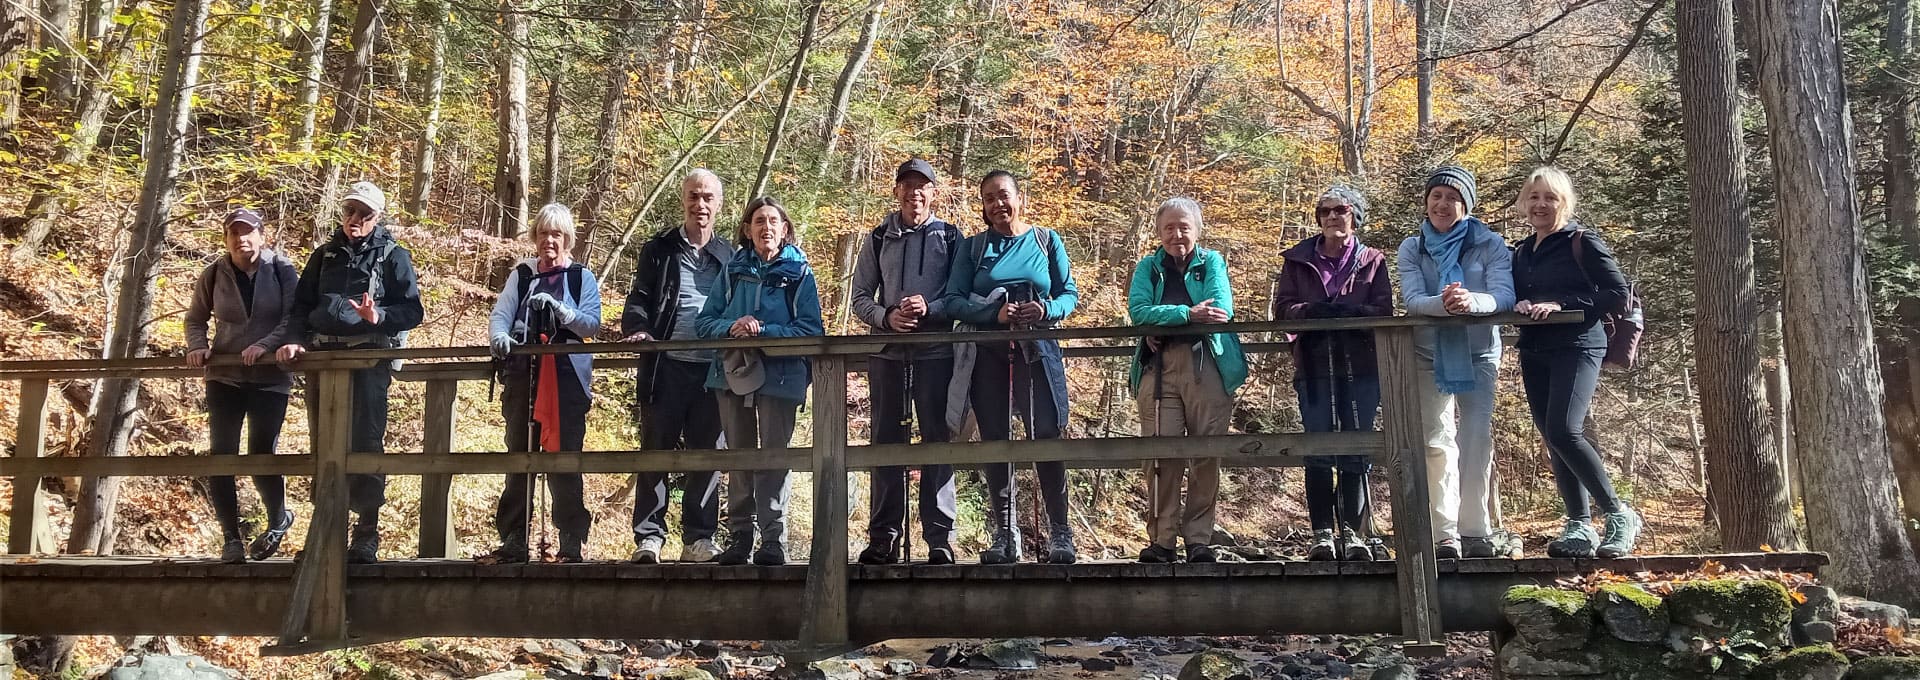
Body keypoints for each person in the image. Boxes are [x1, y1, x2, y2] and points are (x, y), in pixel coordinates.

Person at [277, 181, 424, 564]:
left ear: (378, 217)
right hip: (322, 361)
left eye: (364, 213)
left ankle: (366, 533)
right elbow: (300, 306)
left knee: (366, 444)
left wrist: (381, 317)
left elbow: (412, 310)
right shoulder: (324, 256)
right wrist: (294, 339)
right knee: (323, 444)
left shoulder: (393, 256)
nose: (355, 219)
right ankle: (325, 530)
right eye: (350, 211)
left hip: (368, 362)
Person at [941, 170, 1081, 565]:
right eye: (989, 199)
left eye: (1004, 195)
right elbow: (952, 301)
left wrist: (1046, 309)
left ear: (1020, 198)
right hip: (988, 354)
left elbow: (1069, 294)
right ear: (983, 208)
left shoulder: (1046, 240)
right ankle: (1005, 534)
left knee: (1047, 436)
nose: (998, 204)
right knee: (995, 439)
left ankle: (1060, 534)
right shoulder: (972, 249)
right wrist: (993, 313)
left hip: (1037, 351)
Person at [1511, 166, 1640, 558]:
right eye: (1534, 197)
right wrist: (1516, 304)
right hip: (1534, 348)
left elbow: (1618, 292)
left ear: (1563, 202)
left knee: (1565, 430)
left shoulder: (1581, 241)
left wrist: (1562, 305)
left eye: (1549, 197)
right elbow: (1512, 291)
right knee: (1553, 437)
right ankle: (1579, 526)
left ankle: (1619, 515)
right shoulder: (1521, 251)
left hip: (1579, 344)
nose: (1540, 205)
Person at [1396, 165, 1518, 560]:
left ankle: (1475, 529)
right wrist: (1447, 305)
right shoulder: (1412, 247)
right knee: (1436, 441)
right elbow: (1413, 300)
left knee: (1476, 438)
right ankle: (1444, 533)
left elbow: (1503, 296)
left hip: (1480, 351)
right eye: (1436, 196)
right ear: (1427, 201)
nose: (1442, 204)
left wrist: (1472, 303)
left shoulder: (1490, 244)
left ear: (1466, 205)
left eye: (1452, 197)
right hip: (1427, 352)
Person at [696, 196, 824, 566]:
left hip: (781, 377)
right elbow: (705, 322)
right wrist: (732, 327)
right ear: (747, 229)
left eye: (773, 221)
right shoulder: (733, 270)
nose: (766, 227)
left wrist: (764, 331)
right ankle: (739, 537)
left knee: (774, 457)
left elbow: (810, 328)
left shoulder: (800, 272)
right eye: (758, 221)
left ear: (785, 229)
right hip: (731, 374)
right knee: (738, 456)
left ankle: (773, 540)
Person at [848, 159, 964, 566]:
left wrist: (929, 307)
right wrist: (886, 317)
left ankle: (939, 539)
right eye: (907, 186)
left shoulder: (950, 238)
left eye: (923, 187)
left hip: (936, 353)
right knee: (885, 443)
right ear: (896, 191)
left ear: (934, 193)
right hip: (887, 355)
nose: (915, 193)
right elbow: (860, 295)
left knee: (937, 441)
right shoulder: (879, 237)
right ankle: (884, 538)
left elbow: (959, 297)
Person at [1273, 187, 1395, 561]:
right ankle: (1322, 533)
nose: (1331, 217)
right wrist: (1313, 313)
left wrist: (1348, 316)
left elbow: (1383, 310)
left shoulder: (1372, 260)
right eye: (1324, 212)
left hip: (1361, 365)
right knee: (1319, 447)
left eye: (1340, 210)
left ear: (1354, 216)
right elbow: (1282, 309)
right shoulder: (1297, 261)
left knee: (1357, 448)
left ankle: (1353, 533)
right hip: (1313, 364)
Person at [619, 169, 735, 564]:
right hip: (665, 366)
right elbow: (640, 296)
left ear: (718, 204)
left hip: (712, 371)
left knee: (708, 454)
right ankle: (649, 536)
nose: (700, 205)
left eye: (707, 198)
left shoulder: (728, 256)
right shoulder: (660, 249)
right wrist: (638, 329)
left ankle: (699, 538)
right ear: (683, 199)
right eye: (693, 196)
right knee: (656, 450)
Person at [1127, 198, 1246, 564]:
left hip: (1206, 362)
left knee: (1205, 452)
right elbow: (1138, 311)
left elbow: (1221, 309)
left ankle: (1198, 540)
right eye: (1169, 227)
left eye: (1184, 227)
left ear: (1197, 229)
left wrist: (1164, 321)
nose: (1177, 234)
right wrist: (1187, 313)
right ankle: (1162, 540)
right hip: (1159, 368)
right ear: (1159, 230)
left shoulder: (1211, 262)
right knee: (1160, 454)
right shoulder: (1148, 267)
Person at [485, 204, 601, 563]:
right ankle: (515, 535)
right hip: (523, 373)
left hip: (566, 378)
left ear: (567, 239)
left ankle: (570, 537)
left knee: (565, 454)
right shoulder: (522, 275)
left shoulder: (582, 278)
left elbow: (591, 324)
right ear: (535, 237)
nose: (550, 240)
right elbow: (501, 315)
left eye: (558, 234)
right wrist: (500, 337)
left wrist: (561, 311)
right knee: (519, 451)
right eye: (544, 233)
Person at [185, 208, 301, 564]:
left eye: (248, 232)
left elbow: (294, 318)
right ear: (226, 239)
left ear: (262, 236)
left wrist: (265, 345)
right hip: (225, 377)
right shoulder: (214, 274)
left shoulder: (282, 270)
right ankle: (231, 538)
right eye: (234, 233)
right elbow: (194, 318)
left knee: (260, 455)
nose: (241, 239)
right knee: (222, 455)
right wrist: (196, 346)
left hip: (270, 378)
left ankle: (279, 519)